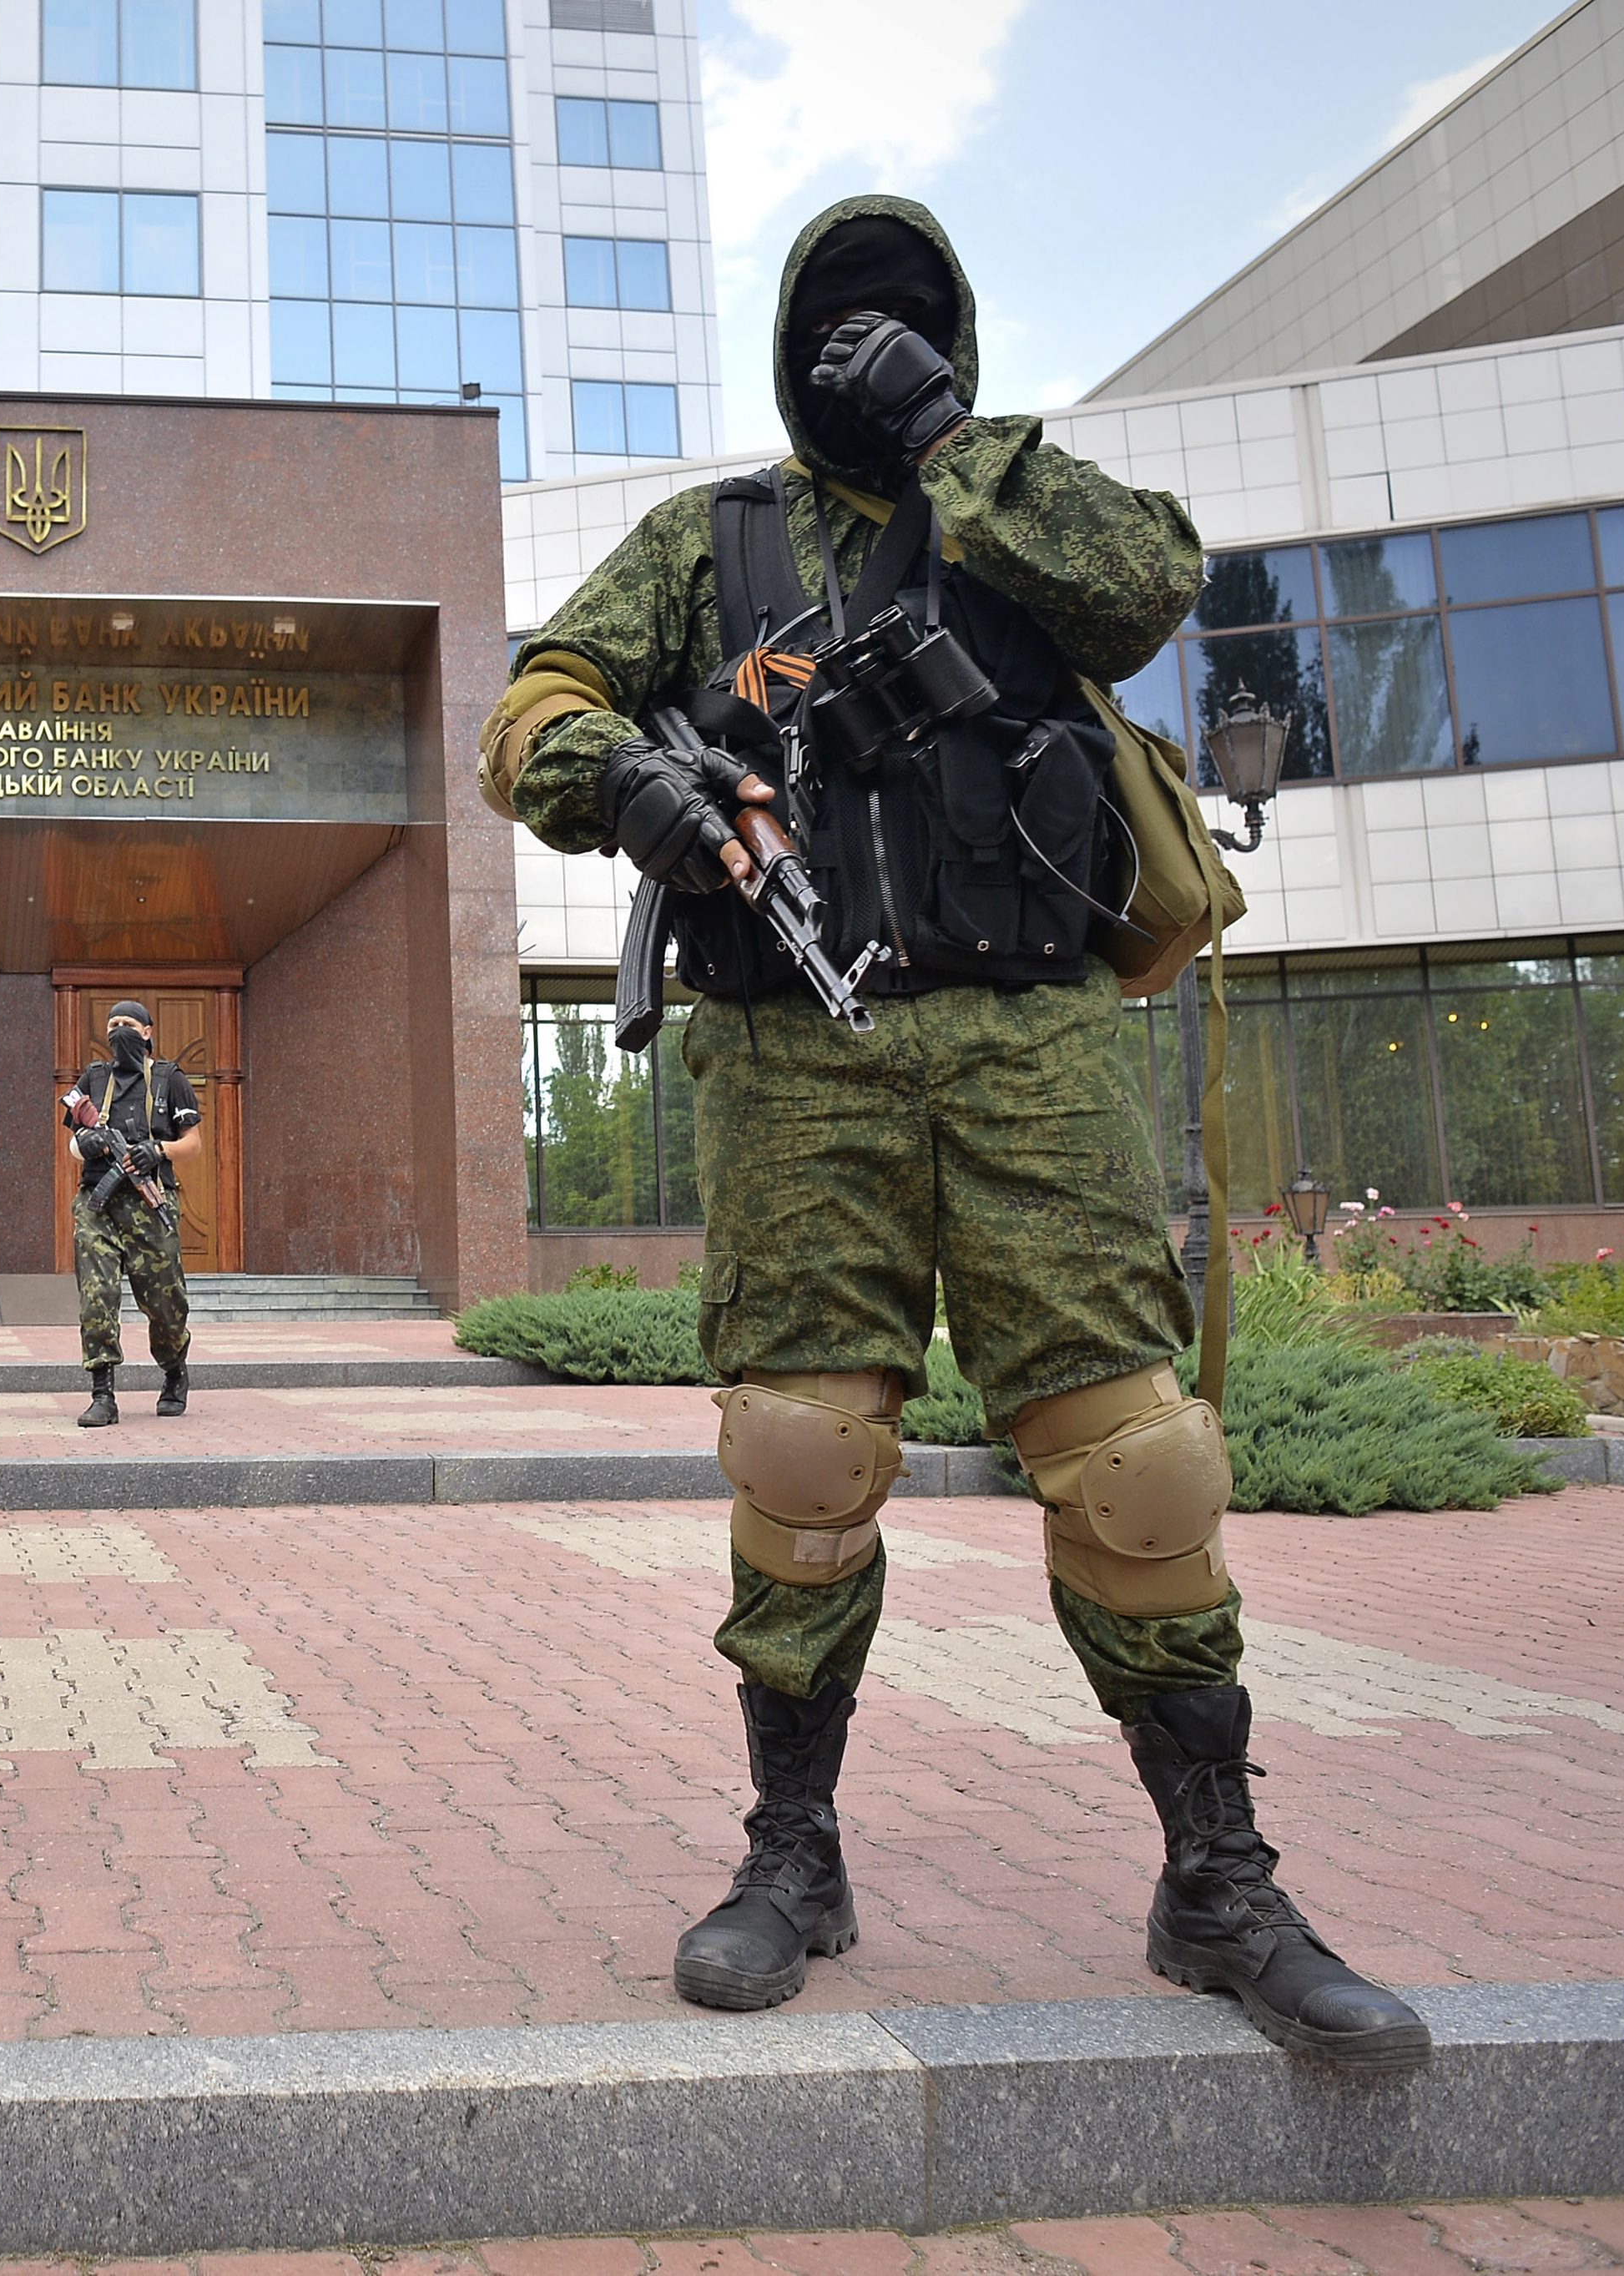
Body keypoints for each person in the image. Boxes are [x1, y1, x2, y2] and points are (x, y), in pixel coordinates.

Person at [475, 195, 1428, 2068]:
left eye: (900, 327)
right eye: (836, 330)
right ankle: (794, 1851)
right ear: (781, 351)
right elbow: (531, 709)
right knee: (803, 1450)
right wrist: (633, 784)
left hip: (1031, 1039)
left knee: (1137, 1457)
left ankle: (1218, 1880)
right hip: (794, 1052)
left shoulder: (1020, 508)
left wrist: (948, 438)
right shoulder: (708, 544)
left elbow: (1149, 589)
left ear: (951, 342)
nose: (862, 351)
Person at [66, 1001, 199, 1428]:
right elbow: (73, 1141)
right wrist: (84, 1143)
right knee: (97, 1296)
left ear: (147, 1032)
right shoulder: (93, 1078)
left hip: (150, 1202)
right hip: (98, 1203)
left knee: (165, 1302)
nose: (119, 1029)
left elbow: (193, 1144)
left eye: (128, 1023)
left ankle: (174, 1370)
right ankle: (102, 1394)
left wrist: (158, 1150)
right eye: (113, 1024)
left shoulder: (169, 1079)